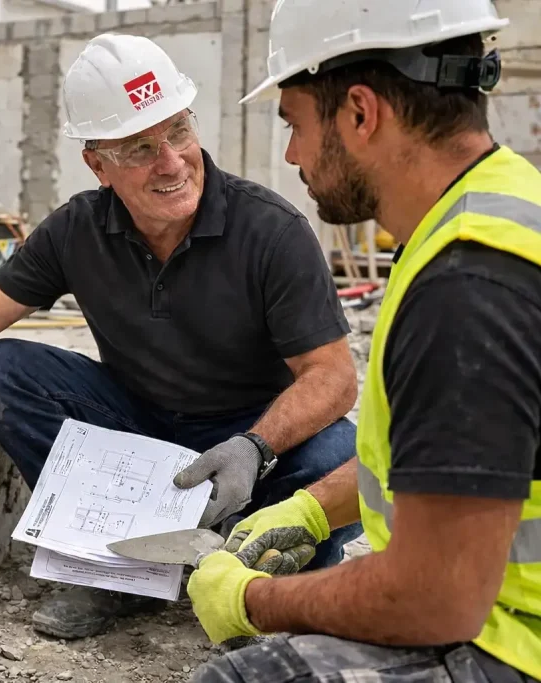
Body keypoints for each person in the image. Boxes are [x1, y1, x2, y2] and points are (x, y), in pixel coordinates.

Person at [0, 33, 363, 641]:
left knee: (341, 456)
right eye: (139, 148)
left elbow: (334, 377)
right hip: (139, 423)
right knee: (4, 370)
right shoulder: (79, 229)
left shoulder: (269, 230)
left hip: (246, 432)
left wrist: (255, 446)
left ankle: (262, 576)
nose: (171, 162)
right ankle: (114, 568)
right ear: (97, 165)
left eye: (178, 133)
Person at [185, 1, 541, 682]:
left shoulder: (467, 286)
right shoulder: (490, 212)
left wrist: (252, 600)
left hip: (514, 641)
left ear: (359, 112)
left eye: (294, 123)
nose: (289, 154)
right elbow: (449, 456)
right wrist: (314, 508)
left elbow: (434, 598)